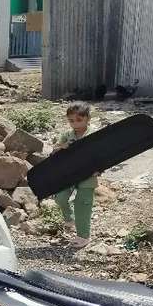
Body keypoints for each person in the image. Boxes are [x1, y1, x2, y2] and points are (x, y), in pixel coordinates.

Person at [53, 102, 97, 248]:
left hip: (88, 174)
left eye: (79, 120)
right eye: (71, 121)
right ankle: (69, 218)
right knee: (60, 197)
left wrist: (99, 169)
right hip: (69, 173)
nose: (75, 124)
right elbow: (54, 152)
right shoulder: (67, 135)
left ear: (87, 119)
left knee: (82, 205)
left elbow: (102, 154)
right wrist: (61, 147)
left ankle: (83, 236)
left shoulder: (95, 134)